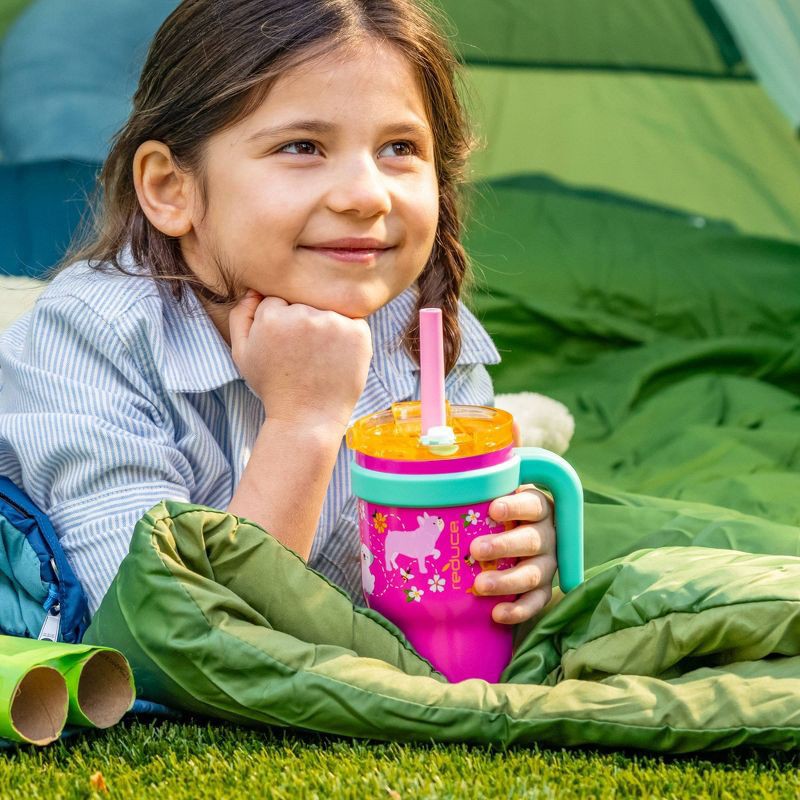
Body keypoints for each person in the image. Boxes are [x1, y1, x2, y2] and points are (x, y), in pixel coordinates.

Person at [0, 0, 556, 626]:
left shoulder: (417, 328)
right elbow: (171, 632)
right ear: (169, 188)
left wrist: (510, 565)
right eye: (302, 147)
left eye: (399, 147)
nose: (367, 196)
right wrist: (303, 424)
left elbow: (410, 599)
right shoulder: (89, 339)